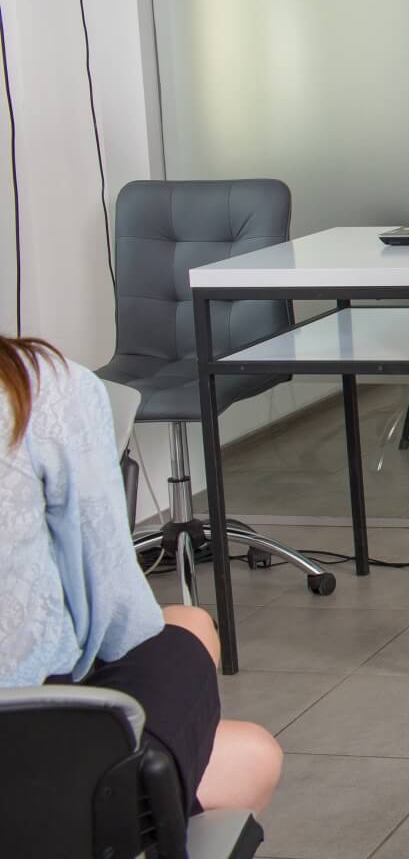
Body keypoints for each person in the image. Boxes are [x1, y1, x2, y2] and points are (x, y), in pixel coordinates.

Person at [0, 338, 282, 814]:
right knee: (250, 750)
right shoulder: (34, 385)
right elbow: (117, 619)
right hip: (28, 740)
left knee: (191, 631)